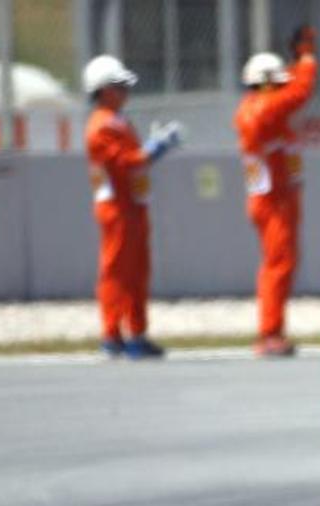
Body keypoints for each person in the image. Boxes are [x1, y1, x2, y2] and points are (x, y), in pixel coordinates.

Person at [83, 55, 184, 359]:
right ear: (103, 90)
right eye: (119, 87)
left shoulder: (118, 121)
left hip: (133, 205)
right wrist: (156, 147)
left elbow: (133, 158)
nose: (126, 92)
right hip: (116, 208)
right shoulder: (101, 126)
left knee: (138, 272)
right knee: (116, 272)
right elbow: (126, 162)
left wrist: (152, 146)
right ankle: (112, 335)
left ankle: (137, 334)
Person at [233, 27, 318, 357]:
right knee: (277, 264)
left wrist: (296, 61)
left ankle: (274, 331)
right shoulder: (259, 110)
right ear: (265, 84)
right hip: (272, 202)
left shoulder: (265, 110)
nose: (284, 88)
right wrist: (307, 61)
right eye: (278, 84)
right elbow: (297, 93)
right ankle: (268, 333)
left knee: (282, 263)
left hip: (279, 199)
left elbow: (290, 93)